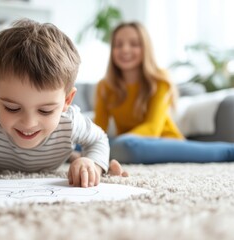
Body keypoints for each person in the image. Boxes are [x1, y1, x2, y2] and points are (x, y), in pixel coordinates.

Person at [0, 19, 111, 188]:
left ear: (67, 101)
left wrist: (92, 164)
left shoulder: (70, 122)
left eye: (45, 111)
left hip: (57, 159)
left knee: (84, 160)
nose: (28, 123)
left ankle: (74, 156)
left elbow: (99, 140)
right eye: (12, 108)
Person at [93, 21, 234, 171]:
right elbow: (99, 129)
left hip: (163, 141)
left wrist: (115, 144)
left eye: (134, 44)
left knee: (124, 146)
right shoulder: (105, 86)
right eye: (118, 45)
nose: (125, 49)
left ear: (146, 48)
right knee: (81, 143)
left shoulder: (160, 81)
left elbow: (152, 129)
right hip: (128, 143)